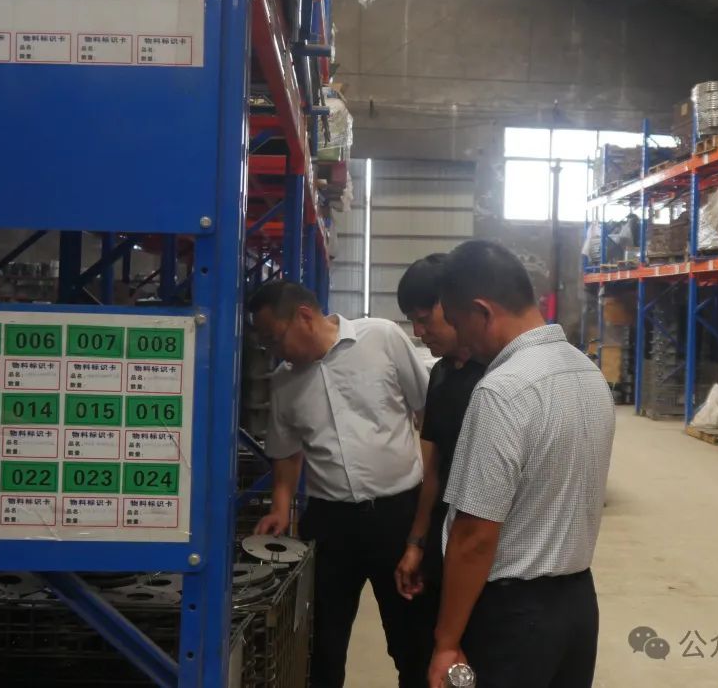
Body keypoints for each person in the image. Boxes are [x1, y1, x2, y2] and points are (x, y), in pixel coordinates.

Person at [427, 240, 616, 688]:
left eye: (458, 323)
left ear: (482, 311)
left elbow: (475, 536)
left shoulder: (502, 391)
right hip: (577, 608)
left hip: (513, 620)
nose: (461, 341)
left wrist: (446, 642)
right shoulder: (588, 373)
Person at [248, 281, 431, 688]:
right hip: (330, 525)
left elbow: (426, 413)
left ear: (304, 316)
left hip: (397, 517)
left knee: (411, 639)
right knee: (323, 645)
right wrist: (280, 506)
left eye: (275, 338)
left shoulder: (381, 338)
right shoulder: (285, 382)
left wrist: (427, 510)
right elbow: (287, 453)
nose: (274, 351)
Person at [393, 255, 487, 625]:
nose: (419, 332)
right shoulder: (442, 374)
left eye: (423, 318)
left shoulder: (499, 376)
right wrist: (416, 543)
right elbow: (434, 466)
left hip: (487, 543)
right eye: (412, 321)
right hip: (443, 532)